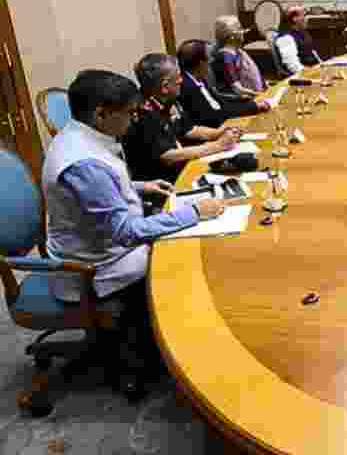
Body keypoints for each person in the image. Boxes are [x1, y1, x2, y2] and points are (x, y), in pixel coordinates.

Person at [42, 70, 225, 388]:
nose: (135, 118)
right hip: (93, 267)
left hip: (100, 242)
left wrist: (139, 185)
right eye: (130, 113)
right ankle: (179, 354)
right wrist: (195, 212)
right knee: (187, 259)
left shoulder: (78, 135)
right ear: (101, 114)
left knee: (182, 237)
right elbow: (125, 232)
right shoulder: (84, 164)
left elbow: (101, 190)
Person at [123, 53, 242, 184]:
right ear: (165, 86)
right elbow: (168, 156)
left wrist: (219, 133)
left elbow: (189, 130)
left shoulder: (166, 99)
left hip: (182, 169)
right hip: (165, 183)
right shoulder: (143, 112)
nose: (181, 80)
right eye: (178, 76)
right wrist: (218, 145)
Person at [176, 39, 271, 128]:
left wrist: (248, 102)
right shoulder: (187, 87)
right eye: (209, 58)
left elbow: (220, 102)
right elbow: (215, 115)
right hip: (216, 129)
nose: (211, 61)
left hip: (224, 122)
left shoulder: (198, 78)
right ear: (201, 64)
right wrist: (253, 107)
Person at [211, 15, 267, 96]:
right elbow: (238, 89)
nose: (244, 32)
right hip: (239, 99)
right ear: (231, 36)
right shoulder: (226, 56)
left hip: (254, 95)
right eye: (240, 29)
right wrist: (261, 95)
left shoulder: (239, 52)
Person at [274, 6, 320, 75]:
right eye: (304, 16)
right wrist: (312, 72)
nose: (306, 19)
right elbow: (293, 66)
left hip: (313, 70)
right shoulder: (285, 38)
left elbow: (313, 54)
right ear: (295, 19)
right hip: (302, 76)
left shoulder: (302, 32)